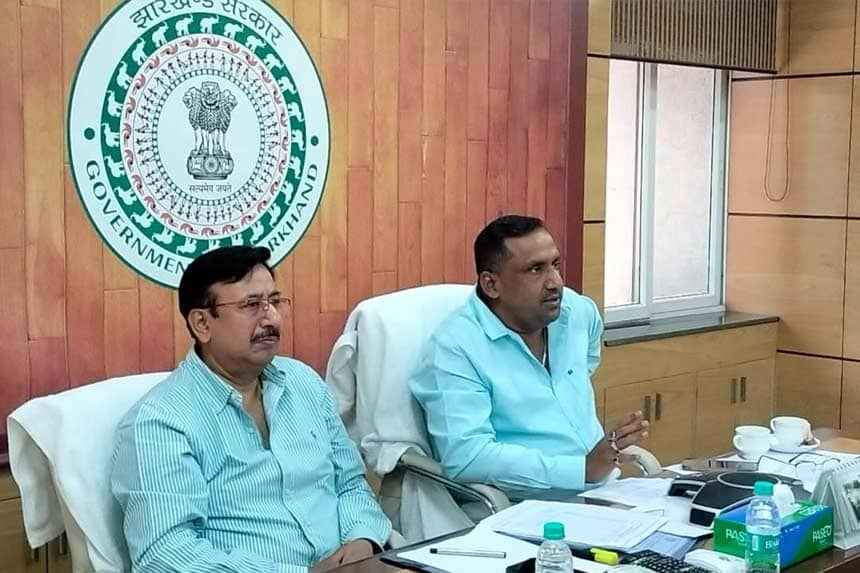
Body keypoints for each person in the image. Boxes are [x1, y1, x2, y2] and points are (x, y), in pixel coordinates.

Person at [111, 246, 390, 572]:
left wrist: (363, 540)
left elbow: (351, 483)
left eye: (275, 302)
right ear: (202, 323)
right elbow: (165, 554)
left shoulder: (303, 382)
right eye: (252, 305)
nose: (271, 318)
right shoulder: (160, 422)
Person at [409, 215, 649, 501]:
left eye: (555, 265)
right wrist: (580, 469)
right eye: (536, 269)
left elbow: (588, 355)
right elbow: (467, 457)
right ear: (491, 285)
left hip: (604, 490)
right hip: (522, 508)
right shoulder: (454, 348)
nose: (555, 282)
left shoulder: (575, 311)